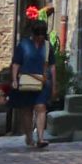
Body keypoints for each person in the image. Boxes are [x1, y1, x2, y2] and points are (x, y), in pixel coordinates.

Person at [9, 18, 55, 149]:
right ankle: (29, 136)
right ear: (33, 34)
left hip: (42, 83)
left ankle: (40, 138)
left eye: (42, 34)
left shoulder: (47, 46)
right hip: (26, 82)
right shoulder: (23, 45)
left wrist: (54, 84)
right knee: (27, 110)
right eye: (38, 34)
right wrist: (14, 80)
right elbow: (16, 63)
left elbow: (52, 66)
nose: (40, 37)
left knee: (41, 108)